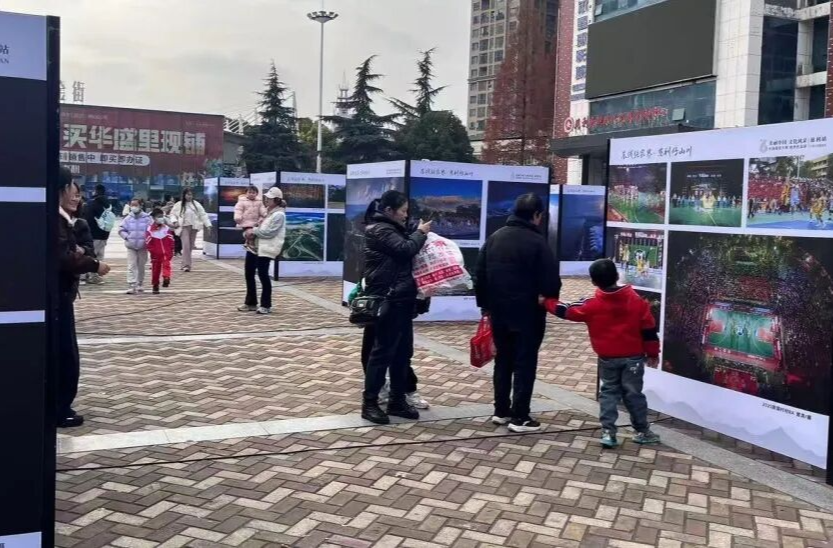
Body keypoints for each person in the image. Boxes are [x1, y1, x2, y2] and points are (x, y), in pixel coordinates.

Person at [542, 258, 661, 448]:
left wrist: (546, 301)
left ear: (593, 282)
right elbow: (649, 330)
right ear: (616, 276)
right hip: (634, 359)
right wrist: (653, 353)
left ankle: (608, 432)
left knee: (608, 393)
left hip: (607, 358)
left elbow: (566, 311)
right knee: (634, 394)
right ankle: (642, 431)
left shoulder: (592, 305)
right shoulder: (638, 301)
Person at [475, 193, 561, 433]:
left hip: (498, 312)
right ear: (536, 215)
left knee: (503, 360)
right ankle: (520, 416)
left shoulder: (494, 238)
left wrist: (485, 306)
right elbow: (551, 280)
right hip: (528, 313)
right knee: (525, 362)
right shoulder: (537, 242)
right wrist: (547, 297)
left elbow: (479, 275)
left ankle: (501, 410)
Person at [360, 190, 433, 425]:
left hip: (402, 299)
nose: (405, 215)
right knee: (382, 353)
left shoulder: (393, 229)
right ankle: (369, 403)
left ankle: (397, 400)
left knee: (402, 353)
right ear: (389, 211)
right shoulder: (379, 230)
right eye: (402, 211)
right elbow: (404, 250)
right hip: (388, 300)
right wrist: (421, 233)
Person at [58, 168, 111, 427]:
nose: (75, 196)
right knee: (65, 354)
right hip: (58, 295)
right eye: (71, 189)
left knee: (67, 352)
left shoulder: (75, 222)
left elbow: (83, 248)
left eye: (79, 194)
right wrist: (93, 265)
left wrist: (84, 255)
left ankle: (61, 404)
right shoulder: (57, 220)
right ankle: (59, 407)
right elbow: (66, 257)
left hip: (63, 294)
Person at [238, 187, 286, 314]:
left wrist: (253, 231)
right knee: (249, 272)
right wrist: (251, 231)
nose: (267, 200)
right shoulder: (268, 212)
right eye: (266, 198)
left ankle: (266, 304)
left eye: (270, 198)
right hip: (255, 246)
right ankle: (250, 302)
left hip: (266, 248)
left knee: (263, 275)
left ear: (276, 200)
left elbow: (269, 233)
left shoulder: (279, 214)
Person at [170, 188, 211, 272]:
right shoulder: (179, 204)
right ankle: (187, 265)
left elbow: (203, 215)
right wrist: (174, 221)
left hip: (194, 227)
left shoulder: (196, 204)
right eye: (188, 194)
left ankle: (184, 263)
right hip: (184, 227)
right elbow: (172, 214)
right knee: (186, 246)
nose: (189, 196)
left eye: (191, 194)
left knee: (190, 246)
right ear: (184, 195)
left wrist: (208, 225)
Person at [119, 198, 153, 295]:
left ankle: (140, 283)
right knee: (131, 265)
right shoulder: (128, 218)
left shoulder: (147, 218)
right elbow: (121, 229)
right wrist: (127, 237)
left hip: (143, 246)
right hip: (131, 246)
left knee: (141, 266)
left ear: (140, 205)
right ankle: (131, 284)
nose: (134, 207)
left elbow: (151, 230)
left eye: (136, 205)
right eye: (132, 205)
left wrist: (148, 240)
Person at [84, 184, 114, 284]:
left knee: (92, 255)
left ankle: (89, 276)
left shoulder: (91, 204)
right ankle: (93, 275)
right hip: (104, 234)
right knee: (99, 255)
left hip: (93, 234)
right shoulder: (108, 205)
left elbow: (87, 219)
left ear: (95, 191)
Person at [146, 208, 175, 294]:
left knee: (167, 265)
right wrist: (152, 251)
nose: (161, 218)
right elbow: (148, 242)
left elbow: (171, 239)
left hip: (166, 253)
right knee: (155, 270)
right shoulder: (149, 230)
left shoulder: (166, 228)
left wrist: (171, 249)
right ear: (154, 218)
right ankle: (155, 285)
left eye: (162, 216)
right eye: (159, 216)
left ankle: (166, 278)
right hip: (155, 254)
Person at [234, 184, 267, 251]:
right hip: (245, 221)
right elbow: (238, 210)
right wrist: (237, 217)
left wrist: (265, 214)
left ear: (256, 193)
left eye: (253, 193)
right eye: (249, 192)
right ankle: (250, 244)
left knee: (255, 233)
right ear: (246, 193)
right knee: (250, 232)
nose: (251, 194)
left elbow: (262, 209)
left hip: (256, 222)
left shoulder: (259, 202)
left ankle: (247, 243)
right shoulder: (242, 201)